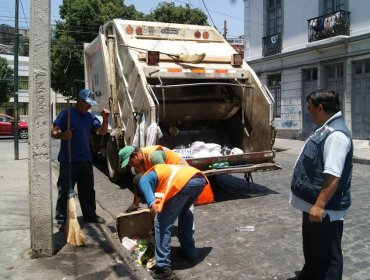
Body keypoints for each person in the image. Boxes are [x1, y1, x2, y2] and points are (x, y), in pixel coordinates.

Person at [290, 89, 353, 280]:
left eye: (310, 108)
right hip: (313, 205)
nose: (307, 111)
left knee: (328, 256)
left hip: (324, 209)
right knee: (313, 250)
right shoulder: (325, 127)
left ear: (321, 107)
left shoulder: (336, 136)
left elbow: (333, 175)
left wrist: (319, 205)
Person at [51, 89, 110, 230]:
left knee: (88, 190)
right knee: (65, 190)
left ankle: (90, 214)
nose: (89, 107)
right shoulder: (66, 114)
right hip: (68, 160)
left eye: (90, 104)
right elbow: (53, 132)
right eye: (87, 104)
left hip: (86, 160)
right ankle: (62, 219)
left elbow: (102, 131)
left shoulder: (89, 117)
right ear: (79, 100)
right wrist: (64, 136)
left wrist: (105, 119)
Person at [137, 164, 209, 279]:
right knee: (185, 215)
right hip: (199, 179)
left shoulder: (143, 180)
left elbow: (154, 208)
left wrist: (154, 230)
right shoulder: (157, 176)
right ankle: (189, 252)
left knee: (161, 223)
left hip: (183, 182)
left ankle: (163, 268)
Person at [119, 145, 213, 212]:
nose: (131, 166)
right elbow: (143, 182)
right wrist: (135, 205)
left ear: (135, 155)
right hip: (173, 175)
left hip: (184, 176)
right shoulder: (139, 160)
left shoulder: (154, 156)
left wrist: (156, 205)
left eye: (130, 163)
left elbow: (164, 181)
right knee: (138, 179)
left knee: (175, 210)